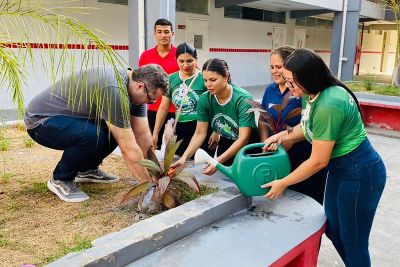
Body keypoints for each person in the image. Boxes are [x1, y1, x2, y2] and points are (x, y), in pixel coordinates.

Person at [262, 48, 386, 266]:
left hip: (360, 172)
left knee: (354, 241)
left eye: (292, 83)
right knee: (333, 229)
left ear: (309, 77)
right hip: (341, 170)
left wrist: (283, 182)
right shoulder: (312, 94)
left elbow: (318, 161)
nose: (289, 89)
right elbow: (308, 125)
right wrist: (283, 135)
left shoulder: (330, 103)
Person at [24, 64, 169, 203]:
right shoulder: (114, 90)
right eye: (151, 99)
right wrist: (149, 186)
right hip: (41, 120)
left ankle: (86, 169)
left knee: (115, 130)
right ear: (140, 86)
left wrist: (157, 173)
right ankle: (61, 179)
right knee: (91, 136)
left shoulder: (134, 92)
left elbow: (143, 136)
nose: (151, 103)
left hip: (70, 118)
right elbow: (128, 147)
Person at [259, 45, 327, 205]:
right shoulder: (271, 89)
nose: (274, 71)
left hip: (304, 156)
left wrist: (287, 141)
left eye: (279, 67)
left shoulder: (303, 92)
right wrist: (266, 143)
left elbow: (307, 127)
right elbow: (263, 118)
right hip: (277, 152)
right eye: (271, 67)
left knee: (305, 202)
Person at [171, 58, 257, 175]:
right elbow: (199, 133)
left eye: (213, 80)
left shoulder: (243, 99)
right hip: (226, 142)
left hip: (248, 148)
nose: (208, 85)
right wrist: (184, 158)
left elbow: (244, 138)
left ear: (226, 77)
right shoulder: (205, 99)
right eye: (205, 80)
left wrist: (217, 161)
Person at [152, 42, 216, 156]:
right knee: (179, 164)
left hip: (202, 128)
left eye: (189, 61)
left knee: (201, 166)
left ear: (196, 59)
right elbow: (163, 107)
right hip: (180, 129)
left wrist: (216, 132)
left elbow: (215, 106)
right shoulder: (171, 78)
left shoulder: (204, 79)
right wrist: (155, 133)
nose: (185, 65)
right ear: (176, 59)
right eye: (181, 61)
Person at [138, 18, 179, 148]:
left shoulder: (180, 56)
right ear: (154, 34)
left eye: (166, 32)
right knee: (151, 145)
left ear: (173, 34)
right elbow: (140, 81)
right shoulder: (146, 56)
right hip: (152, 109)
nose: (163, 35)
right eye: (159, 32)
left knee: (173, 150)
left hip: (175, 110)